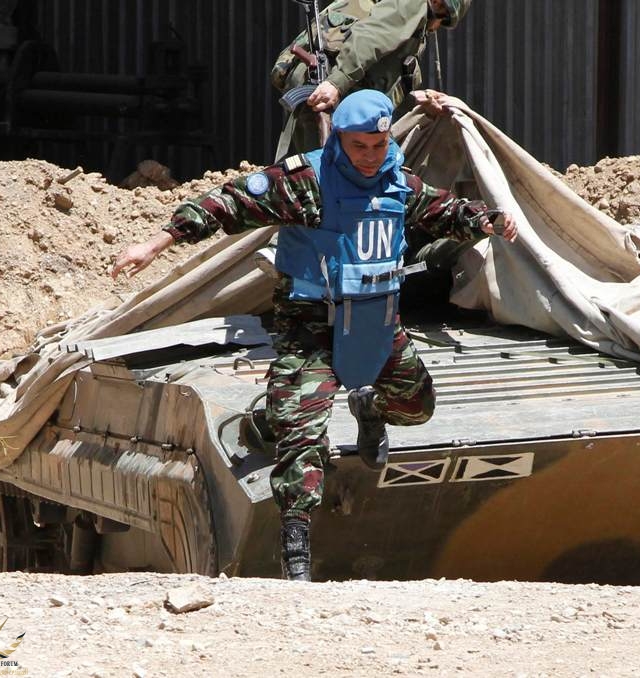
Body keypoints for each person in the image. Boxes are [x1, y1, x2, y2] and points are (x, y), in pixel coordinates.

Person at [111, 89, 516, 581]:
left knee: (416, 407)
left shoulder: (399, 181)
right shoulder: (304, 181)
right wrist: (154, 244)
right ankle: (296, 546)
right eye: (359, 146)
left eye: (378, 144)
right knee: (301, 439)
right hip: (310, 328)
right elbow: (226, 203)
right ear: (340, 139)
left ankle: (366, 408)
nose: (370, 156)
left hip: (376, 322)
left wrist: (488, 221)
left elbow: (445, 211)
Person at [271, 0, 473, 158]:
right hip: (327, 90)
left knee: (316, 177)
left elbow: (383, 80)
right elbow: (371, 36)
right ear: (439, 4)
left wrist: (418, 99)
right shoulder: (414, 3)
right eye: (442, 18)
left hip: (329, 92)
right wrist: (336, 82)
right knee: (325, 179)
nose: (436, 26)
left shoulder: (408, 24)